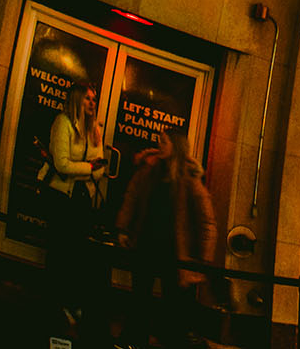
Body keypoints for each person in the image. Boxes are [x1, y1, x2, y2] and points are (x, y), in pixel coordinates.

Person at [118, 126, 218, 349]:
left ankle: (163, 341)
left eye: (164, 141)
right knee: (140, 297)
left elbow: (206, 221)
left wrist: (202, 258)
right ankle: (135, 340)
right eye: (159, 140)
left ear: (176, 145)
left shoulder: (189, 178)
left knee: (172, 303)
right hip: (147, 243)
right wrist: (123, 229)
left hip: (174, 252)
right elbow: (132, 198)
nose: (159, 145)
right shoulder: (149, 170)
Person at [43, 81, 107, 337]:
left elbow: (101, 168)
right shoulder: (63, 123)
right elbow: (62, 165)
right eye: (88, 98)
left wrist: (90, 169)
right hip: (61, 196)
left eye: (94, 98)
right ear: (77, 100)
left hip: (82, 199)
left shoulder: (95, 130)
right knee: (60, 251)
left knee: (78, 253)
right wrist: (88, 169)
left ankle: (72, 303)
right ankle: (55, 305)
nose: (92, 103)